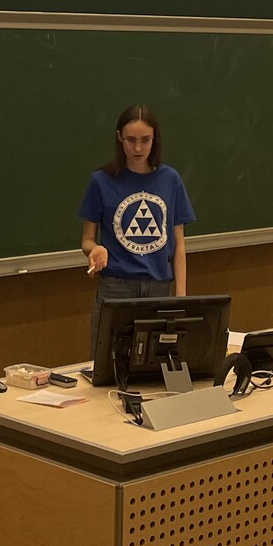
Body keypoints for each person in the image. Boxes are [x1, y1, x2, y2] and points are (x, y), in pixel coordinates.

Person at [79, 104, 195, 367]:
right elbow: (87, 239)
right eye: (131, 140)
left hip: (160, 289)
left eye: (145, 140)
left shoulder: (170, 179)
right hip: (117, 290)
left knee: (156, 367)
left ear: (155, 139)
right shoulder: (101, 181)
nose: (138, 148)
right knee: (107, 367)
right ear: (119, 138)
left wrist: (181, 297)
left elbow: (179, 244)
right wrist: (94, 249)